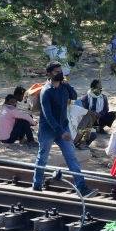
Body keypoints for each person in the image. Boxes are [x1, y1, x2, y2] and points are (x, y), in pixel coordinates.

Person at [31, 61, 94, 197]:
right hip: (48, 129)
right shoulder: (46, 92)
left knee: (71, 157)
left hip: (63, 127)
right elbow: (48, 116)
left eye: (60, 71)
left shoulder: (64, 87)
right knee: (42, 157)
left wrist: (67, 85)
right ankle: (36, 186)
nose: (60, 73)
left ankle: (81, 187)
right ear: (49, 74)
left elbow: (74, 96)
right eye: (56, 72)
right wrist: (61, 132)